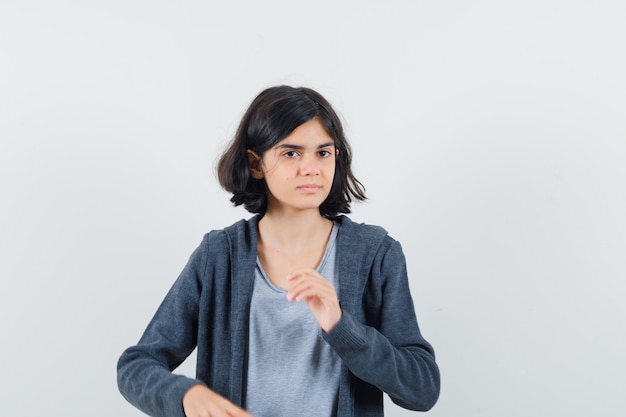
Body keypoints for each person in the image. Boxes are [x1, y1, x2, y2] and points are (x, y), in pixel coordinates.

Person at [117, 85, 440, 417]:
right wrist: (186, 396)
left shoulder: (376, 255)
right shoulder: (219, 256)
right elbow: (136, 366)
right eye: (291, 153)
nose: (311, 168)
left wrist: (343, 326)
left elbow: (423, 389)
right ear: (256, 164)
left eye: (323, 152)